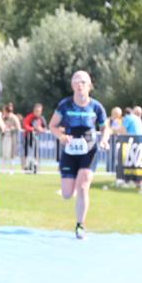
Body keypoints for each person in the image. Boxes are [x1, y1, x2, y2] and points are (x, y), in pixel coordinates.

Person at [48, 70, 111, 240]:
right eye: (76, 80)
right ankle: (73, 187)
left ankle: (80, 225)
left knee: (83, 186)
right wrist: (61, 136)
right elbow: (52, 125)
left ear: (89, 86)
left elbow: (105, 127)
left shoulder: (96, 107)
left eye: (83, 81)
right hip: (70, 151)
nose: (80, 84)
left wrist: (104, 140)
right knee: (67, 194)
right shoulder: (65, 105)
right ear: (72, 85)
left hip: (89, 150)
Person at [22, 103, 47, 173]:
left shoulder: (42, 118)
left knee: (36, 151)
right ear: (34, 110)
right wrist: (33, 128)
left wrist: (41, 129)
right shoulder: (30, 117)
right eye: (36, 111)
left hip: (36, 137)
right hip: (28, 136)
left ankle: (35, 165)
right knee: (27, 151)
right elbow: (25, 125)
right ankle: (26, 166)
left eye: (39, 111)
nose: (37, 112)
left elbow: (45, 128)